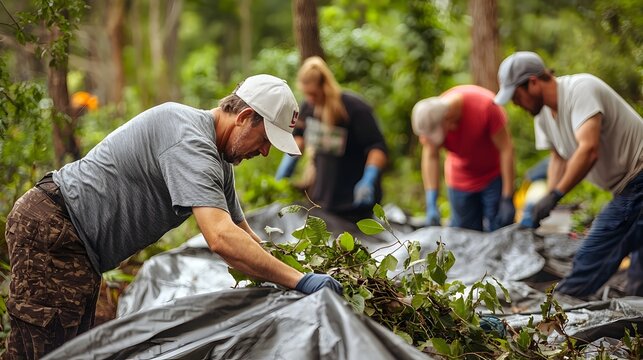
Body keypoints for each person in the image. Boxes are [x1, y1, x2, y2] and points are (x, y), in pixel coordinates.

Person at [3, 74, 342, 359]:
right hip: (54, 228)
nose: (266, 151)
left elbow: (242, 235)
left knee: (70, 348)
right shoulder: (189, 139)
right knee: (40, 350)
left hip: (80, 247)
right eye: (266, 138)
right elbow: (222, 239)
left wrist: (298, 269)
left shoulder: (219, 160)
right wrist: (300, 282)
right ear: (244, 117)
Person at [494, 51, 643, 297]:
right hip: (626, 186)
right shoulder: (543, 115)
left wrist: (555, 194)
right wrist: (547, 203)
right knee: (638, 277)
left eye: (516, 96)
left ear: (533, 82)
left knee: (591, 257)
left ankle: (559, 310)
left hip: (638, 177)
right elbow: (558, 157)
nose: (515, 104)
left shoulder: (581, 90)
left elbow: (589, 150)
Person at [274, 56, 388, 223]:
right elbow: (299, 138)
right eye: (306, 94)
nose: (310, 99)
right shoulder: (308, 108)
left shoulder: (354, 109)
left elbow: (377, 148)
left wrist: (368, 180)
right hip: (323, 200)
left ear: (325, 87)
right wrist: (286, 168)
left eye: (313, 94)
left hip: (354, 202)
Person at [411, 85, 516, 232]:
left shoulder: (486, 106)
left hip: (492, 177)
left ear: (447, 119)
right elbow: (431, 156)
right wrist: (431, 201)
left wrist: (507, 196)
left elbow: (506, 149)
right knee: (466, 235)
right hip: (460, 182)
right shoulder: (431, 117)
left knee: (499, 230)